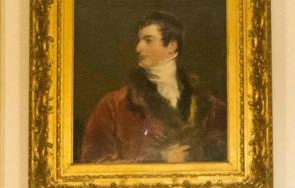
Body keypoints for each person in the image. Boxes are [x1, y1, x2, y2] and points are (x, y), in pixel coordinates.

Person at [79, 11, 226, 163]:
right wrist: (158, 159)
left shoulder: (208, 103)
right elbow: (93, 163)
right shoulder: (114, 103)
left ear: (172, 46)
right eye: (139, 40)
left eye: (148, 40)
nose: (138, 48)